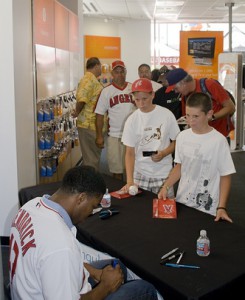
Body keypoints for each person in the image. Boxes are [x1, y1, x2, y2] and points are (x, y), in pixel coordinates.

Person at [9, 165, 158, 300]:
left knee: (118, 267)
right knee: (144, 289)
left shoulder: (31, 206)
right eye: (93, 206)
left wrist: (95, 272)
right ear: (81, 198)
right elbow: (58, 255)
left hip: (28, 290)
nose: (91, 213)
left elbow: (47, 261)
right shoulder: (60, 245)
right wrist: (105, 287)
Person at [158, 92, 236, 222]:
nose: (190, 121)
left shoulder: (219, 141)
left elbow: (225, 175)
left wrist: (222, 207)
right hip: (183, 201)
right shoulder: (182, 136)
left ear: (209, 114)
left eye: (196, 116)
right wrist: (166, 187)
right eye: (187, 115)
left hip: (208, 207)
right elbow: (179, 166)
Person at [121, 78, 180, 195]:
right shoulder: (132, 120)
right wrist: (129, 181)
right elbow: (129, 153)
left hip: (164, 173)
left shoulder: (166, 115)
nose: (141, 103)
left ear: (152, 95)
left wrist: (164, 153)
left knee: (164, 210)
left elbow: (177, 141)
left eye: (144, 99)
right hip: (140, 173)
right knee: (140, 211)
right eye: (137, 100)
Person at [165, 68, 235, 139]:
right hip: (200, 138)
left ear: (183, 83)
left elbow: (231, 108)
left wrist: (211, 117)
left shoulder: (210, 85)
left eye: (176, 88)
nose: (176, 92)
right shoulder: (185, 97)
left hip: (220, 136)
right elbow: (188, 120)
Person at [95, 60, 135, 181]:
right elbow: (99, 115)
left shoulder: (133, 88)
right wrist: (99, 136)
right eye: (117, 72)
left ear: (126, 72)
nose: (120, 74)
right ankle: (119, 196)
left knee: (133, 169)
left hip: (133, 136)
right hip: (115, 135)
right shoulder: (106, 91)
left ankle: (132, 192)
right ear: (112, 73)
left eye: (122, 71)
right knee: (116, 170)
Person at [72, 57, 105, 171]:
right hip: (88, 125)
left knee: (93, 157)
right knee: (91, 159)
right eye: (100, 66)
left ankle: (92, 183)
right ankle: (90, 185)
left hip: (93, 125)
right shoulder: (88, 79)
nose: (101, 69)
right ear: (96, 66)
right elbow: (82, 99)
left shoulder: (92, 79)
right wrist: (76, 112)